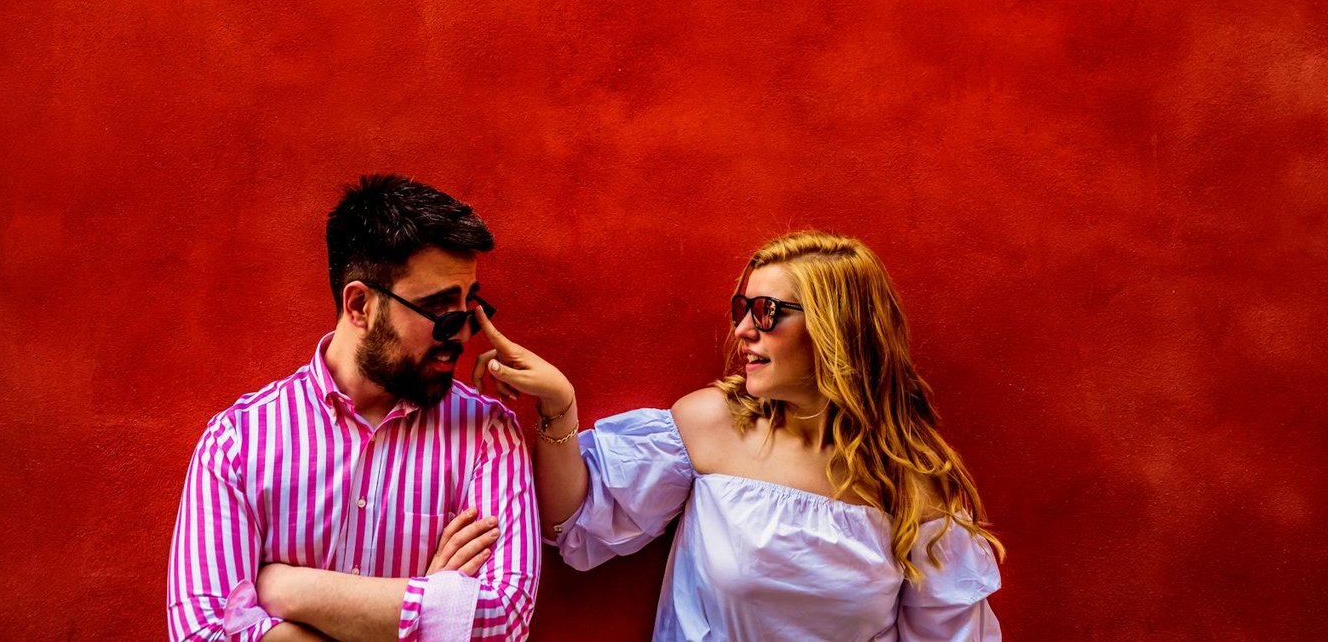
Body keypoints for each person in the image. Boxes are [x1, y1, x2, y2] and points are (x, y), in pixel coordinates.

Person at [475, 229, 1004, 641]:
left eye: (767, 312)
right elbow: (575, 524)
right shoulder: (712, 426)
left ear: (836, 327)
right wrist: (559, 406)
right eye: (741, 309)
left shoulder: (913, 486)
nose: (743, 329)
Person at [167, 175, 540, 642]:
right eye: (441, 312)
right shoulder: (238, 444)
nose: (463, 335)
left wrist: (293, 590)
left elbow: (505, 620)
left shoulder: (487, 435)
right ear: (360, 304)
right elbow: (204, 635)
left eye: (469, 310)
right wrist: (434, 607)